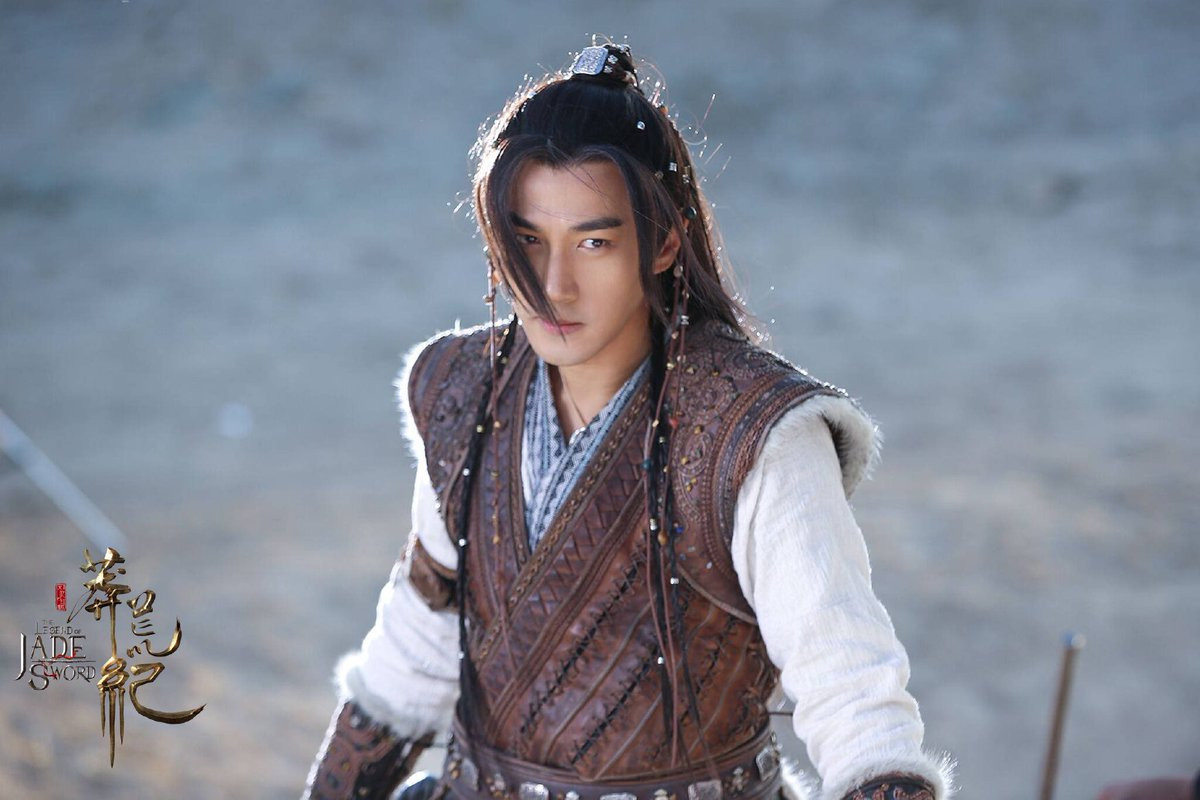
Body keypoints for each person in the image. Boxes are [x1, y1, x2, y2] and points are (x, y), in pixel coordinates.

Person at [304, 42, 953, 800]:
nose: (554, 285)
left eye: (594, 242)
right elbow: (415, 647)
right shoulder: (462, 392)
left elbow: (853, 697)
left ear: (665, 242)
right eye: (527, 240)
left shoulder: (756, 438)